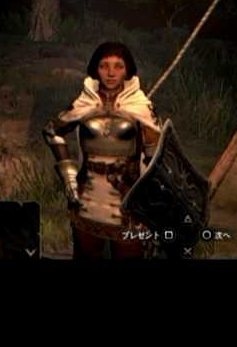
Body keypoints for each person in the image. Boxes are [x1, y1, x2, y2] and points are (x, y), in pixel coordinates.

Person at [42, 42, 162, 259]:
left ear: (127, 70)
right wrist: (69, 177)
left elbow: (155, 156)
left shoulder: (141, 106)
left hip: (127, 201)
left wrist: (152, 195)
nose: (111, 73)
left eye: (118, 66)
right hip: (86, 200)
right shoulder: (85, 102)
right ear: (95, 69)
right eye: (104, 66)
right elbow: (52, 131)